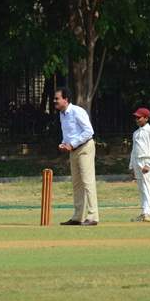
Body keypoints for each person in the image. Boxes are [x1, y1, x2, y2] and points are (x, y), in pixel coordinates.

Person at [54, 87, 99, 226]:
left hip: (85, 148)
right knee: (76, 184)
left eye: (57, 98)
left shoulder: (77, 111)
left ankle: (93, 216)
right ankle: (78, 216)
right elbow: (68, 133)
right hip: (73, 150)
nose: (54, 101)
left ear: (66, 99)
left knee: (87, 182)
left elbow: (89, 131)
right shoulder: (62, 114)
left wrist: (72, 144)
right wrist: (64, 143)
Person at [129, 107, 150, 222]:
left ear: (146, 118)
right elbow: (134, 150)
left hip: (146, 161)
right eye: (136, 117)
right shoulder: (136, 133)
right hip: (137, 162)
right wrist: (131, 166)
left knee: (146, 187)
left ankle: (148, 213)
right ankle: (143, 213)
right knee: (141, 188)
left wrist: (149, 164)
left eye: (139, 117)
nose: (137, 119)